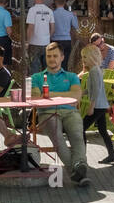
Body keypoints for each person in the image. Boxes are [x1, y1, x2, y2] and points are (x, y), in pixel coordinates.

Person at [32, 43, 90, 186]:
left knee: (77, 135)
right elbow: (36, 97)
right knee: (58, 138)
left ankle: (78, 167)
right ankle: (77, 170)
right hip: (47, 112)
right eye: (49, 56)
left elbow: (76, 97)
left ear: (62, 57)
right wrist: (65, 95)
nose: (52, 59)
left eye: (55, 56)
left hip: (70, 112)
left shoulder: (72, 77)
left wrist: (49, 94)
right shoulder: (37, 77)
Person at [78, 44, 114, 164]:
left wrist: (91, 107)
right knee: (103, 130)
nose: (83, 60)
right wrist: (81, 93)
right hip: (101, 105)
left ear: (92, 57)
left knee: (81, 129)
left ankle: (81, 157)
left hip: (97, 106)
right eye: (82, 57)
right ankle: (112, 155)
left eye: (85, 57)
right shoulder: (97, 70)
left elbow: (95, 91)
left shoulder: (94, 71)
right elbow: (93, 89)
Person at [25, 0, 55, 75]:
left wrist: (27, 42)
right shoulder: (49, 10)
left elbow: (30, 28)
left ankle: (36, 86)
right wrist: (48, 37)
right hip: (46, 43)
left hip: (34, 43)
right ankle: (47, 85)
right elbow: (53, 28)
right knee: (47, 67)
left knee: (34, 68)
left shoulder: (32, 10)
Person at [51, 0, 78, 68]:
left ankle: (55, 79)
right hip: (66, 40)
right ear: (64, 3)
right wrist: (75, 16)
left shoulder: (52, 14)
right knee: (65, 63)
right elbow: (76, 26)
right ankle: (63, 79)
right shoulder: (70, 14)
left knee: (54, 63)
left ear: (55, 2)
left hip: (55, 40)